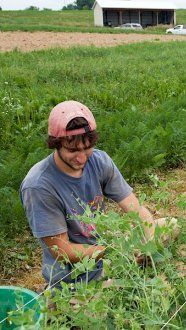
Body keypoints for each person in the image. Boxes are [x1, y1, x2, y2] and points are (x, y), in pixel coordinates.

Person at [20, 100, 166, 288]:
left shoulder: (99, 161)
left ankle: (133, 270)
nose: (81, 158)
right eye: (72, 150)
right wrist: (116, 251)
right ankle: (69, 301)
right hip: (76, 274)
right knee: (138, 291)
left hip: (108, 249)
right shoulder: (39, 185)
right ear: (56, 144)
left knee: (169, 227)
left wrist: (149, 245)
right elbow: (63, 251)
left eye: (86, 148)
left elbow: (136, 209)